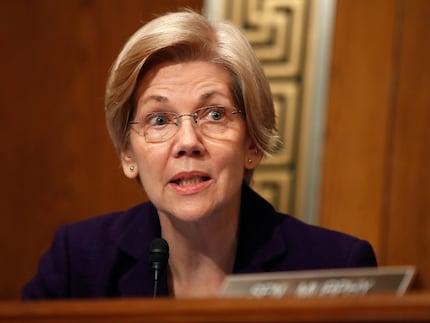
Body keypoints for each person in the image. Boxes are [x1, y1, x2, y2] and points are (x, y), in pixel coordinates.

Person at [22, 10, 377, 299]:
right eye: (159, 120)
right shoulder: (80, 263)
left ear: (251, 142)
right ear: (128, 153)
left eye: (215, 114)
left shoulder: (335, 268)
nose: (188, 141)